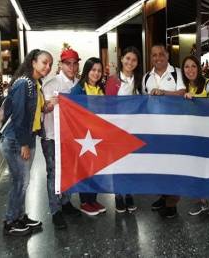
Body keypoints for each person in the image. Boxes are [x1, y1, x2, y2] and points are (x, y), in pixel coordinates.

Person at [0, 49, 52, 236]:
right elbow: (20, 116)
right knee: (20, 182)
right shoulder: (24, 84)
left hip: (26, 138)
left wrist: (47, 106)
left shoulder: (35, 83)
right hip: (16, 140)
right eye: (44, 62)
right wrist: (23, 144)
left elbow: (34, 111)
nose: (48, 67)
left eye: (50, 64)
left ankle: (20, 216)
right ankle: (10, 221)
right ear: (33, 62)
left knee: (22, 181)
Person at [41, 48, 82, 229]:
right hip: (52, 136)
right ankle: (55, 211)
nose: (72, 67)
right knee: (53, 173)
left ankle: (66, 202)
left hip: (72, 137)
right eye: (68, 63)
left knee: (70, 171)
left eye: (75, 63)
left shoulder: (79, 84)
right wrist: (50, 105)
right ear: (61, 65)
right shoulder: (51, 84)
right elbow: (42, 109)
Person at [143, 44, 186, 218]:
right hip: (154, 129)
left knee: (173, 166)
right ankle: (163, 195)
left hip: (174, 129)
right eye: (154, 55)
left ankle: (172, 204)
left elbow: (183, 92)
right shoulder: (147, 77)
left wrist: (164, 93)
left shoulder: (177, 72)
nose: (158, 57)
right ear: (151, 58)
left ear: (167, 55)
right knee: (159, 165)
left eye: (161, 54)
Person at [181, 55, 209, 216]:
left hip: (208, 132)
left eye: (193, 66)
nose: (190, 70)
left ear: (198, 67)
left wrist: (195, 99)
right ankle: (201, 200)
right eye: (186, 67)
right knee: (195, 168)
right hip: (192, 133)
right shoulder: (183, 87)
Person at [105, 46, 143, 213]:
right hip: (116, 129)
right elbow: (108, 106)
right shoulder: (113, 81)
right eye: (127, 58)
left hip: (134, 128)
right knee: (118, 164)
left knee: (131, 164)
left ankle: (129, 193)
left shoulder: (139, 80)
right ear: (121, 59)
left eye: (134, 60)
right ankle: (119, 195)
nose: (130, 62)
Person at [70, 57, 107, 216]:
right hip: (83, 137)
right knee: (84, 170)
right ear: (87, 70)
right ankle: (85, 202)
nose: (96, 73)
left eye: (99, 70)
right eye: (93, 70)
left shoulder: (101, 88)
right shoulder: (78, 89)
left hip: (98, 135)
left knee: (96, 169)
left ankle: (93, 199)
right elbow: (71, 112)